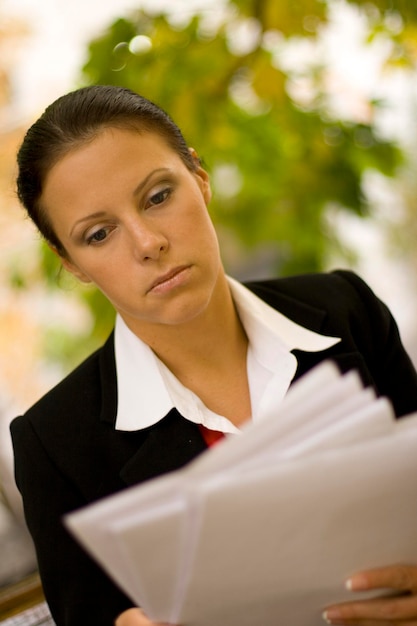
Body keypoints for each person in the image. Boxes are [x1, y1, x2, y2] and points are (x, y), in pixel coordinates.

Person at [10, 84, 417, 626]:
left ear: (199, 179)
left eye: (157, 196)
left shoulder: (347, 309)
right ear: (72, 261)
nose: (148, 241)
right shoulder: (53, 445)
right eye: (100, 233)